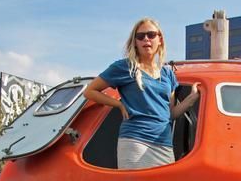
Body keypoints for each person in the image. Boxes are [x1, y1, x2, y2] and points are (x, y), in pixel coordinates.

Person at [84, 17, 200, 169]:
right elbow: (90, 91)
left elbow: (170, 114)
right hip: (135, 141)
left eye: (151, 35)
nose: (146, 39)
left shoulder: (168, 74)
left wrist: (191, 99)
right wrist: (118, 104)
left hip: (164, 144)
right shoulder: (125, 67)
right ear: (135, 42)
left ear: (160, 39)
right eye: (140, 36)